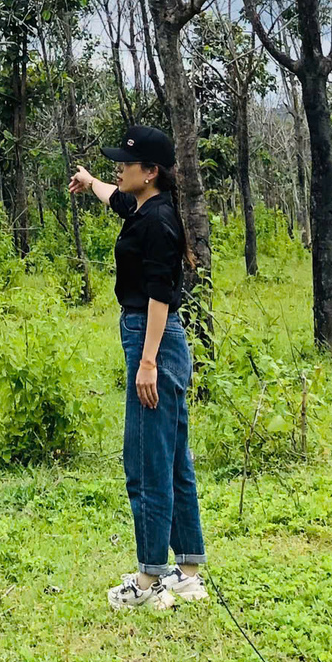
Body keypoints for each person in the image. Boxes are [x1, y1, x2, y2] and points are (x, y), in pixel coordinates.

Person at [69, 124, 208, 612]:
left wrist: (147, 361)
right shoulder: (147, 207)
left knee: (146, 462)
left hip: (153, 340)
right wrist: (91, 182)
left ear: (150, 172)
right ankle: (187, 573)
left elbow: (158, 295)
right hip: (158, 341)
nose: (118, 170)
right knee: (172, 460)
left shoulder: (157, 222)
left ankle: (149, 582)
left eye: (125, 164)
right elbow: (118, 201)